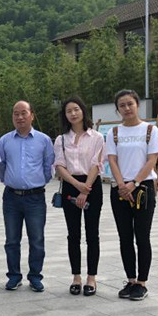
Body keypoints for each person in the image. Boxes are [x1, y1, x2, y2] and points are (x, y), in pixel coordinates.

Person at [105, 89, 158, 301]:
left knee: (142, 236)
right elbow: (112, 160)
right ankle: (130, 280)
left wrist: (134, 183)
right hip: (119, 188)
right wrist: (122, 185)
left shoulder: (150, 130)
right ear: (117, 109)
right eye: (122, 105)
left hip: (143, 187)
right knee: (124, 237)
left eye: (130, 104)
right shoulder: (113, 132)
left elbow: (152, 160)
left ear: (137, 105)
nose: (127, 108)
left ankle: (142, 283)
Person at [0, 100, 55, 293]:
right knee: (11, 240)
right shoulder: (5, 140)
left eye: (23, 113)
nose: (20, 117)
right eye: (16, 113)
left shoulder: (44, 140)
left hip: (35, 198)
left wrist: (37, 182)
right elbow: (1, 166)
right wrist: (10, 180)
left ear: (32, 115)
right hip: (11, 197)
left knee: (36, 239)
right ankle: (14, 277)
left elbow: (48, 166)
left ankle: (35, 277)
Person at [53, 97, 104, 297]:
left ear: (83, 111)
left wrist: (85, 190)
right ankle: (76, 277)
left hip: (92, 185)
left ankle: (91, 277)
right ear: (65, 115)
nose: (73, 114)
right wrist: (76, 186)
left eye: (76, 109)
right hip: (70, 184)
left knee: (92, 233)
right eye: (69, 111)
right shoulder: (61, 139)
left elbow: (96, 164)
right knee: (73, 234)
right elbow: (59, 166)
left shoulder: (97, 137)